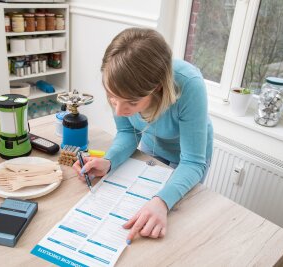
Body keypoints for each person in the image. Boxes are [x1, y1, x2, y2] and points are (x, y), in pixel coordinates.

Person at [73, 28, 213, 245]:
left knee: (179, 224)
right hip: (152, 144)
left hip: (188, 156)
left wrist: (162, 202)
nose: (119, 111)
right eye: (112, 99)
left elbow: (193, 162)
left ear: (156, 88)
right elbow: (128, 132)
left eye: (131, 103)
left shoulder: (190, 84)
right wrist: (109, 161)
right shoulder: (118, 81)